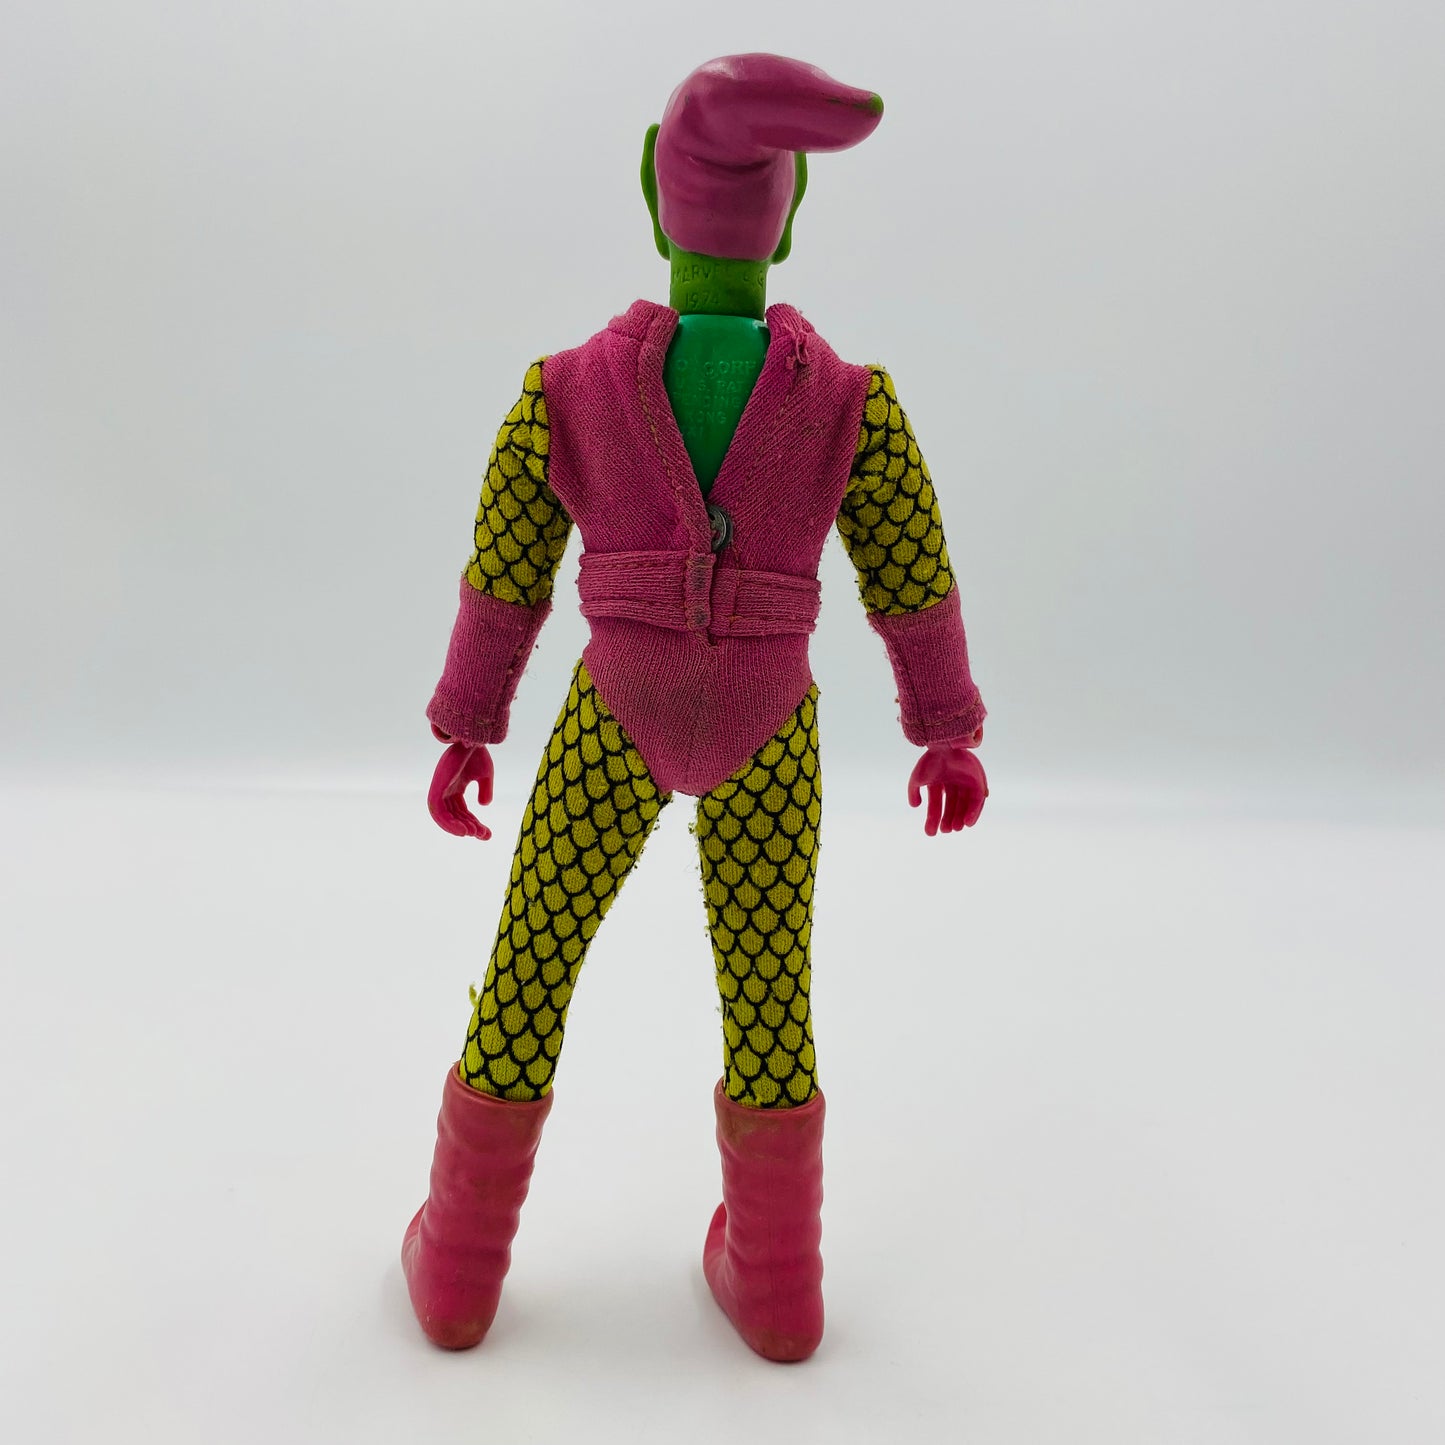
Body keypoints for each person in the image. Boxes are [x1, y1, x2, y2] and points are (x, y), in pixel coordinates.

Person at [402, 53, 988, 1363]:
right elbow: (912, 573)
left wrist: (469, 724)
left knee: (530, 966)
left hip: (613, 712)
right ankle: (777, 1288)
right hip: (771, 724)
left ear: (651, 200)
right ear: (789, 215)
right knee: (770, 991)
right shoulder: (852, 406)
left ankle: (455, 1268)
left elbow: (506, 572)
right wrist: (945, 727)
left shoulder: (563, 390)